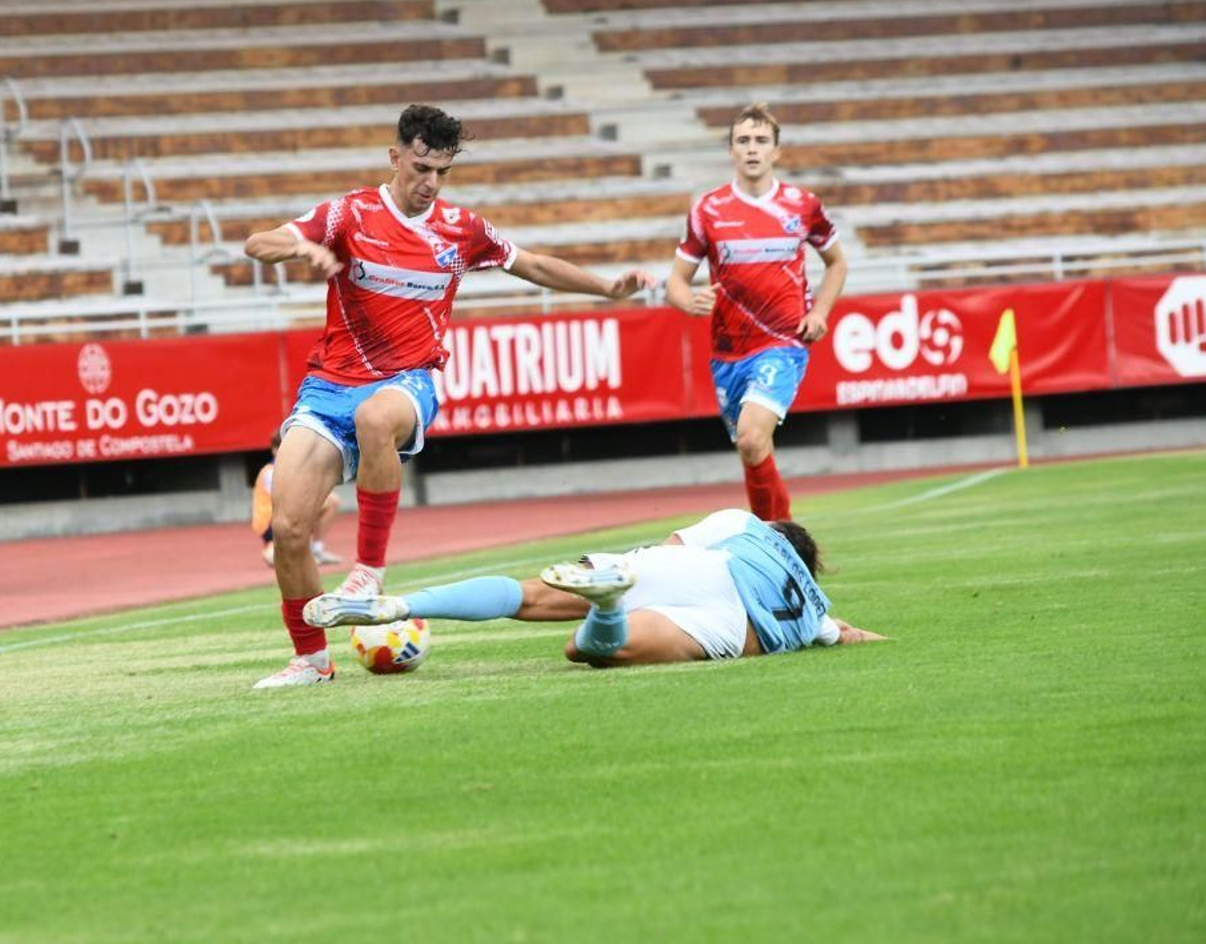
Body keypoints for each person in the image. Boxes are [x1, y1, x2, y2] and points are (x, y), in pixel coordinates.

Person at [243, 103, 657, 687]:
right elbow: (257, 242)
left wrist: (607, 287)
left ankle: (369, 571)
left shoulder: (461, 229)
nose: (429, 183)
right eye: (420, 168)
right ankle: (311, 660)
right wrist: (299, 248)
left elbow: (532, 264)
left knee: (374, 415)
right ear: (395, 158)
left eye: (441, 171)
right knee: (288, 531)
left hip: (406, 382)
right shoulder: (348, 213)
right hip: (328, 385)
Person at [304, 508, 884, 667]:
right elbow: (853, 636)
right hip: (737, 627)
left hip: (704, 569)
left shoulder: (746, 525)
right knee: (587, 650)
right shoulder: (815, 612)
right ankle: (606, 609)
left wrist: (641, 571)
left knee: (529, 594)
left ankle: (403, 603)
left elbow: (672, 548)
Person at [665, 102, 848, 522]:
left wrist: (819, 311)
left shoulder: (802, 206)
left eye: (761, 141)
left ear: (776, 152)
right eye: (743, 141)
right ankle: (776, 532)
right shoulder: (707, 211)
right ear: (731, 151)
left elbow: (837, 262)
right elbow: (677, 279)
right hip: (728, 352)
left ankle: (782, 543)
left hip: (783, 344)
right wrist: (686, 299)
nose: (752, 148)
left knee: (750, 439)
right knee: (752, 449)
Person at [252, 430, 341, 568]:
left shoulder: (297, 467)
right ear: (275, 450)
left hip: (290, 513)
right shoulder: (270, 471)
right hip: (270, 521)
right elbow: (284, 499)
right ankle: (273, 551)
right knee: (307, 504)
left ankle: (315, 549)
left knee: (331, 501)